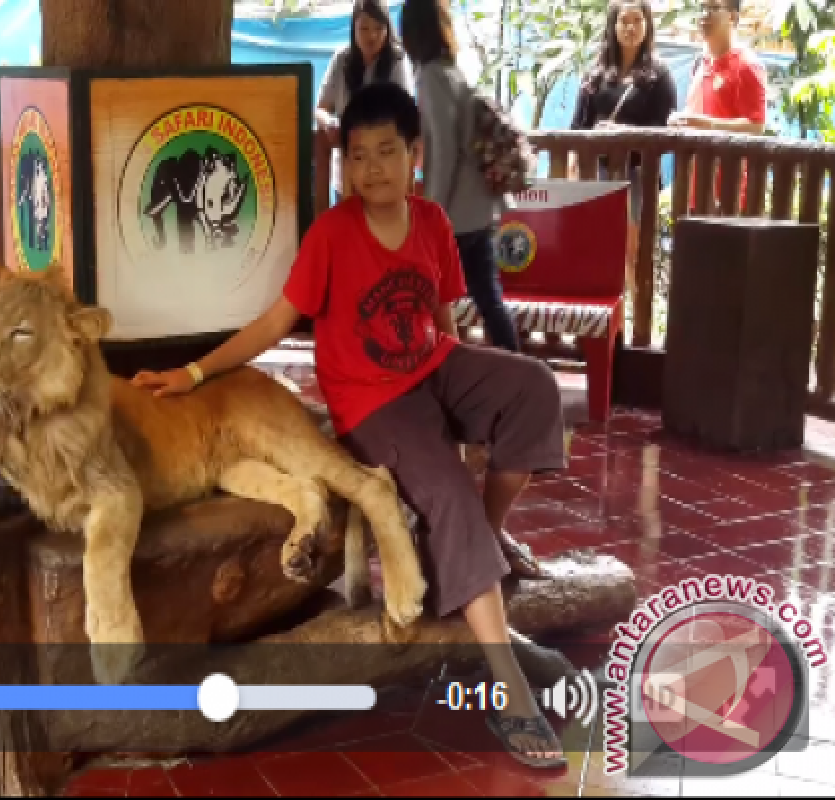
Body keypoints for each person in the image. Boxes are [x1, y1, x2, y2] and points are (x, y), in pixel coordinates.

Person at [131, 82, 568, 770]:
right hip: (374, 404)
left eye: (386, 152)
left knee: (535, 387)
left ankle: (478, 545)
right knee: (447, 493)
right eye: (357, 156)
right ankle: (507, 683)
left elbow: (446, 318)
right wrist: (191, 374)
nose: (370, 169)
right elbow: (277, 322)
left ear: (414, 155)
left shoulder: (429, 222)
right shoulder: (332, 234)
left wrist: (464, 392)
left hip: (434, 367)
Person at [399, 0, 518, 354]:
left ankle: (439, 369)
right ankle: (515, 366)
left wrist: (431, 214)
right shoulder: (451, 70)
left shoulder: (431, 76)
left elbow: (445, 152)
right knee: (486, 296)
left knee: (431, 297)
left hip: (457, 214)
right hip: (475, 207)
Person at [568, 0, 677, 288]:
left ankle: (632, 323)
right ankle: (604, 324)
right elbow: (577, 127)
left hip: (637, 177)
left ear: (647, 25)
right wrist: (574, 164)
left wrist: (622, 132)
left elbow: (664, 132)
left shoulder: (660, 77)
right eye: (624, 20)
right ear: (613, 26)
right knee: (596, 250)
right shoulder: (596, 74)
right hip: (597, 176)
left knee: (632, 254)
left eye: (637, 20)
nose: (630, 27)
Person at [314, 0, 415, 212]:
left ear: (388, 29)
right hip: (346, 171)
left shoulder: (397, 60)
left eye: (379, 28)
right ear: (353, 28)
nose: (372, 36)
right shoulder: (341, 60)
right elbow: (320, 109)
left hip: (385, 171)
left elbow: (405, 115)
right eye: (364, 28)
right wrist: (329, 123)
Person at [668, 0, 767, 211]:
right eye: (702, 8)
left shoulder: (747, 65)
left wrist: (704, 124)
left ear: (733, 17)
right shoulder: (700, 62)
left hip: (729, 190)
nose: (705, 14)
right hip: (694, 184)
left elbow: (756, 127)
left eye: (713, 8)